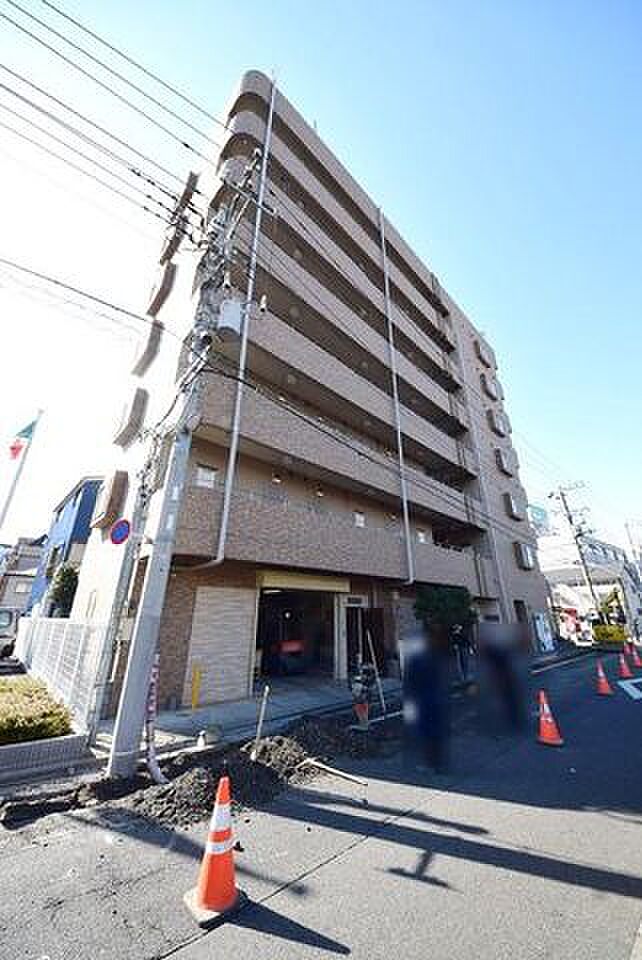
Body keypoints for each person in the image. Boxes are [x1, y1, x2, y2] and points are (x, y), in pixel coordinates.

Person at [402, 623, 451, 772]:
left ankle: (431, 763)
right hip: (434, 698)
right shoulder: (434, 656)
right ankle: (438, 762)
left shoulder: (420, 658)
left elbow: (411, 681)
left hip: (424, 700)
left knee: (427, 732)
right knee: (433, 732)